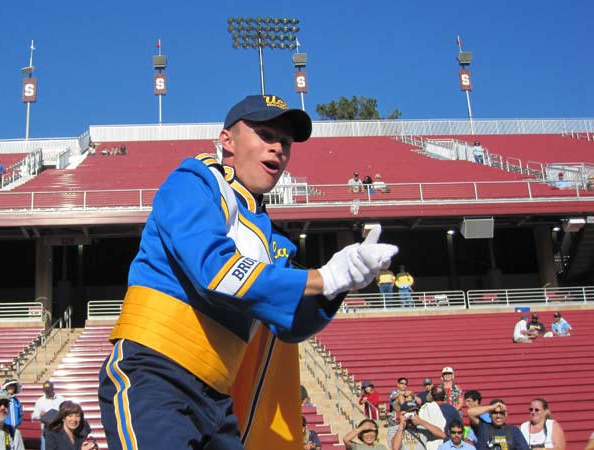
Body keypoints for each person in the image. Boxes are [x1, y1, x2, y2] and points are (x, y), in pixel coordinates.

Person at [97, 94, 399, 450]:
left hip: (217, 398)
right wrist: (323, 278)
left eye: (285, 142)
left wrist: (343, 282)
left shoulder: (274, 239)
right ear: (227, 140)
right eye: (265, 135)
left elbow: (290, 326)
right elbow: (214, 272)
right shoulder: (196, 180)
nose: (278, 149)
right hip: (155, 370)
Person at [418, 386, 461, 450]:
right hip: (448, 444)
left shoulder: (425, 409)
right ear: (444, 396)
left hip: (428, 444)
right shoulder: (452, 410)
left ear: (431, 396)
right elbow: (459, 428)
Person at [30, 381, 65, 450]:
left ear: (52, 389)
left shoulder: (61, 399)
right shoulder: (40, 401)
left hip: (59, 430)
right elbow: (33, 416)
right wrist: (40, 415)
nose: (47, 392)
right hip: (46, 431)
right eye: (46, 391)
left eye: (49, 390)